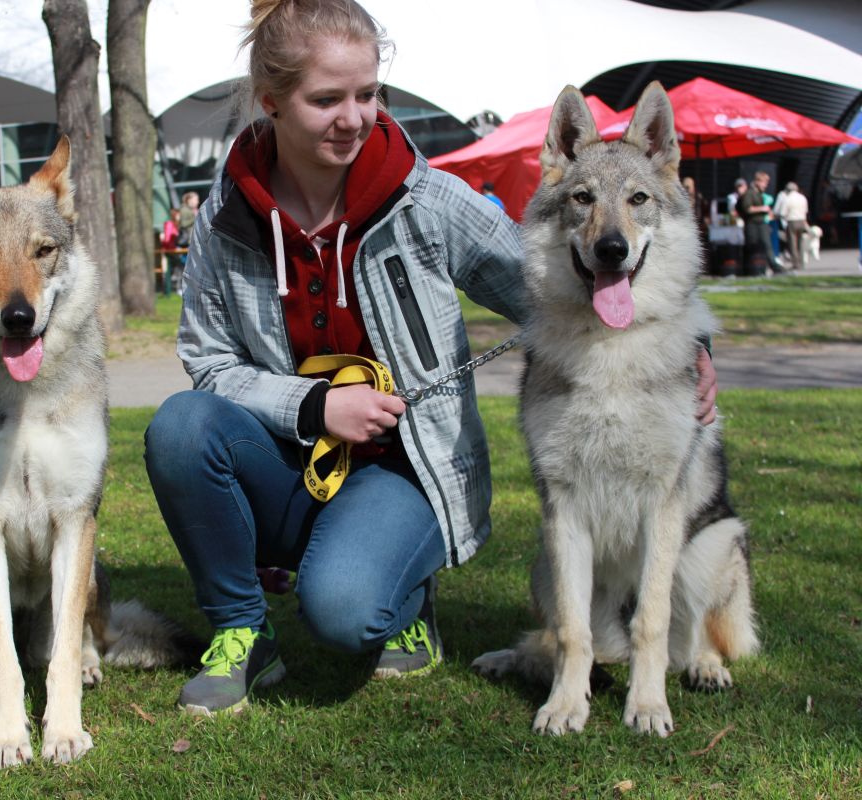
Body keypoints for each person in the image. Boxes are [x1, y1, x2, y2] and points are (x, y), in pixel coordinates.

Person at [144, 0, 719, 717]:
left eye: (367, 93)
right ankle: (241, 631)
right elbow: (208, 359)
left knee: (346, 616)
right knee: (180, 427)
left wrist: (687, 346)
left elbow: (551, 280)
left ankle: (404, 591)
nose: (354, 117)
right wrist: (316, 406)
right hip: (289, 457)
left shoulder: (428, 199)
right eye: (326, 99)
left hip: (404, 470)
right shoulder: (223, 221)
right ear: (272, 103)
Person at [741, 170, 784, 275]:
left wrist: (768, 213)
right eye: (764, 182)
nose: (766, 185)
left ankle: (770, 266)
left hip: (761, 223)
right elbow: (747, 209)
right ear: (757, 181)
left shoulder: (759, 194)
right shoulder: (749, 193)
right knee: (754, 246)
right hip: (753, 224)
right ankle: (752, 267)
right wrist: (762, 208)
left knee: (766, 245)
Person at [776, 181, 809, 270]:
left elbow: (783, 212)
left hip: (792, 222)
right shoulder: (802, 197)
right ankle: (802, 262)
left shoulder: (788, 198)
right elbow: (806, 210)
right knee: (801, 243)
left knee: (792, 243)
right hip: (802, 221)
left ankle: (796, 263)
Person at [160, 207, 186, 294]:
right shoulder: (169, 224)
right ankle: (177, 286)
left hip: (175, 250)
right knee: (181, 264)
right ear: (175, 215)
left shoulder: (177, 225)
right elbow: (167, 239)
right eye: (179, 215)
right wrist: (175, 247)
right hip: (170, 251)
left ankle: (179, 284)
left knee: (182, 264)